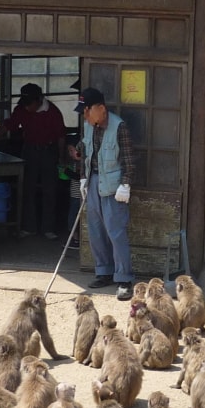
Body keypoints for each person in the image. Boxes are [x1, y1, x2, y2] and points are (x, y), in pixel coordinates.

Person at [71, 87, 135, 301]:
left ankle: (124, 279)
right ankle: (103, 272)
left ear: (101, 108)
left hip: (113, 187)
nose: (85, 115)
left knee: (116, 233)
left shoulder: (119, 127)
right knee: (96, 231)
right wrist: (81, 172)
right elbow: (84, 149)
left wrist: (125, 184)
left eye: (87, 110)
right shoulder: (89, 126)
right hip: (93, 181)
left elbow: (129, 160)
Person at [0, 83, 67, 239]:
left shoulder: (53, 112)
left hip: (49, 151)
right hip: (29, 150)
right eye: (25, 104)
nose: (28, 108)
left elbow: (61, 136)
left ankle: (48, 228)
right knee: (28, 188)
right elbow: (10, 125)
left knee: (50, 189)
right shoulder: (22, 109)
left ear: (39, 100)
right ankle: (29, 227)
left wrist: (61, 157)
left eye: (30, 105)